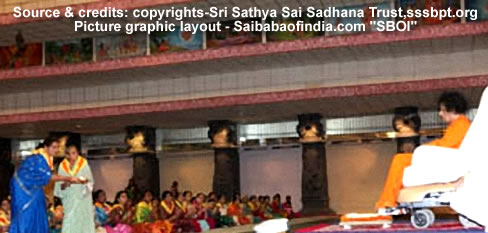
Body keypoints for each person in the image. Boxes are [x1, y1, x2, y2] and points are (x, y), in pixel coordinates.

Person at [376, 92, 471, 213]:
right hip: (444, 159)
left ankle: (387, 202)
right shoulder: (460, 124)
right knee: (400, 160)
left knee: (400, 160)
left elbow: (445, 145)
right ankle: (388, 201)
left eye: (442, 110)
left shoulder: (461, 124)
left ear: (451, 109)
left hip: (445, 161)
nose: (440, 114)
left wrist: (422, 150)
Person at [9, 136, 86, 233]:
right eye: (53, 147)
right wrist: (69, 178)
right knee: (27, 216)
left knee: (39, 213)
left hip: (34, 190)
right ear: (46, 147)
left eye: (57, 147)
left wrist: (66, 181)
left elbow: (47, 178)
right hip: (25, 192)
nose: (56, 150)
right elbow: (48, 176)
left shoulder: (46, 159)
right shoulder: (39, 158)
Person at [54, 145, 96, 233]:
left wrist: (76, 181)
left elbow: (89, 180)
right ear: (66, 155)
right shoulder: (62, 166)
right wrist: (66, 183)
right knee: (69, 222)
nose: (72, 156)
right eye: (69, 153)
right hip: (69, 200)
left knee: (83, 222)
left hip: (82, 199)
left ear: (77, 153)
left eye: (74, 153)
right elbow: (59, 186)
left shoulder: (83, 163)